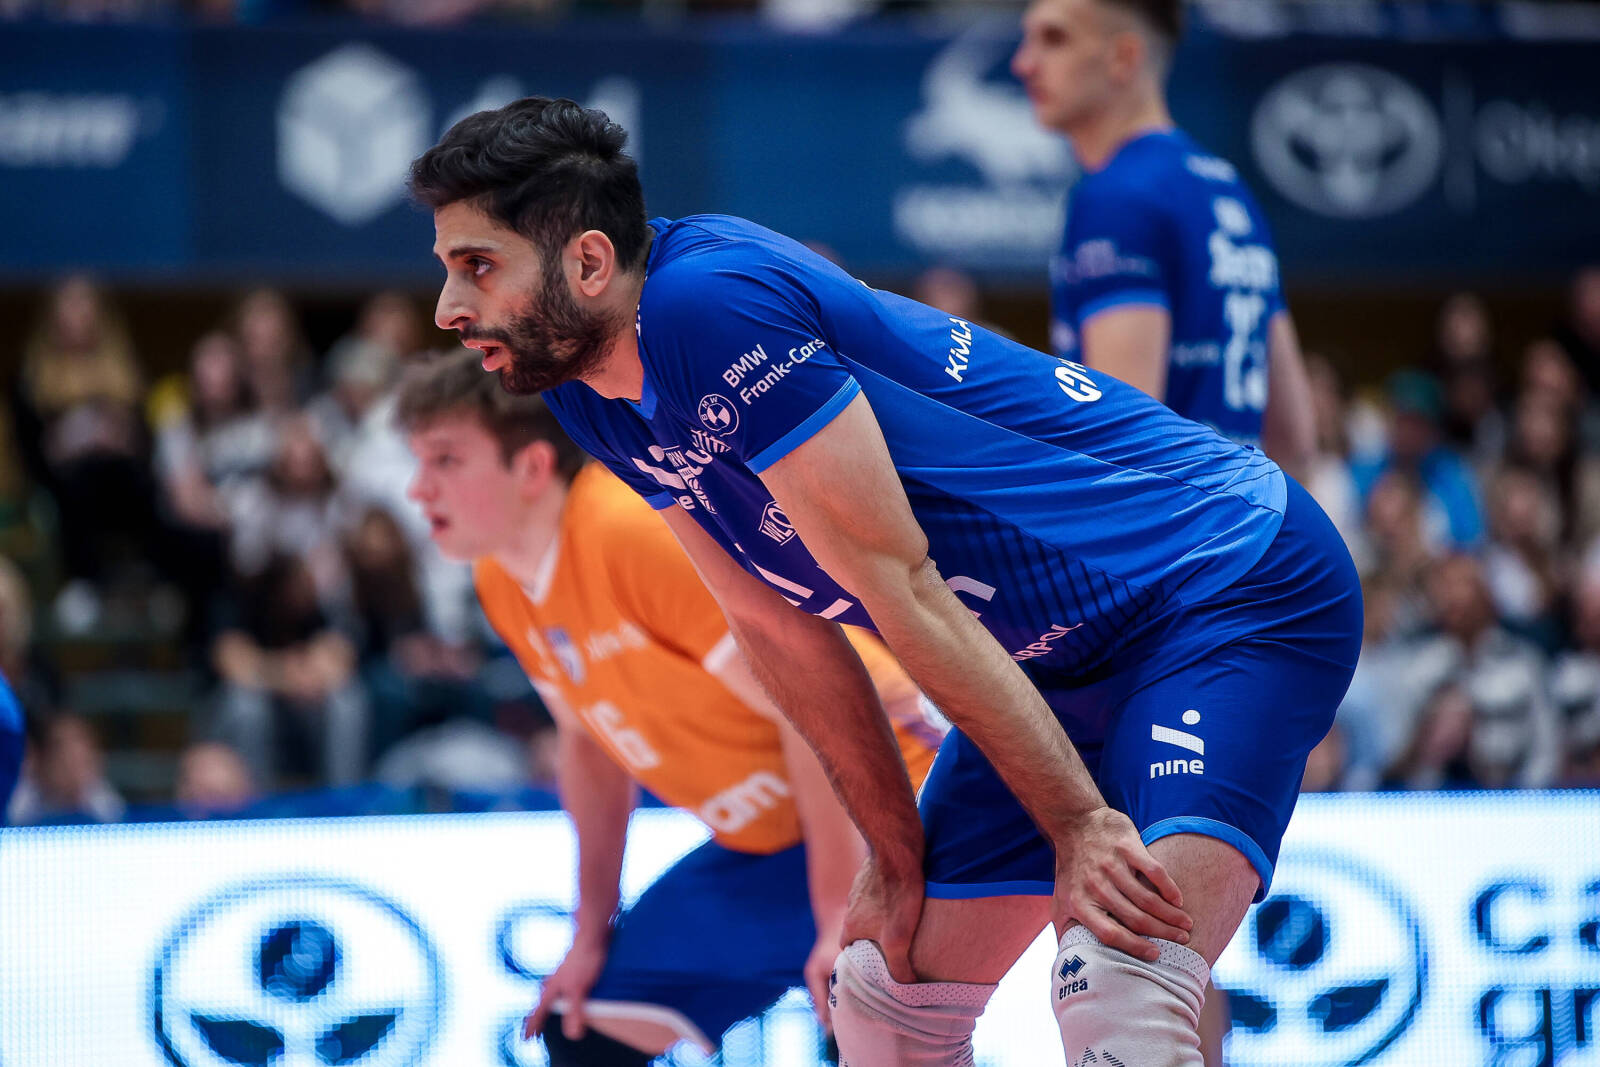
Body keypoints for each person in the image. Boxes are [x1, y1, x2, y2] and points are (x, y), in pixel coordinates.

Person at [408, 97, 1362, 1065]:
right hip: (1051, 658)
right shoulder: (592, 393)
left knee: (1118, 983)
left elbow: (902, 584)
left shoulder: (707, 306)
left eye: (477, 266)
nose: (447, 307)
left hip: (1219, 583)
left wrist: (1079, 823)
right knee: (882, 1000)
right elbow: (773, 625)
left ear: (588, 263)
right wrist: (892, 857)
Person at [396, 350, 941, 1064]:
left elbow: (815, 707)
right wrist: (590, 931)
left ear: (531, 467)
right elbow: (587, 744)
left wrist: (837, 908)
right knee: (584, 1026)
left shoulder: (627, 531)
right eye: (418, 461)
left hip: (890, 796)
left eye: (444, 461)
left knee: (858, 1011)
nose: (417, 489)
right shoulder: (502, 576)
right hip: (772, 843)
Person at [1015, 0, 1315, 483]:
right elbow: (1295, 442)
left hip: (1168, 526)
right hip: (1239, 519)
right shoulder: (1227, 187)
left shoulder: (1116, 197)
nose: (1024, 63)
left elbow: (1123, 450)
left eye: (1054, 39)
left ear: (1123, 57)